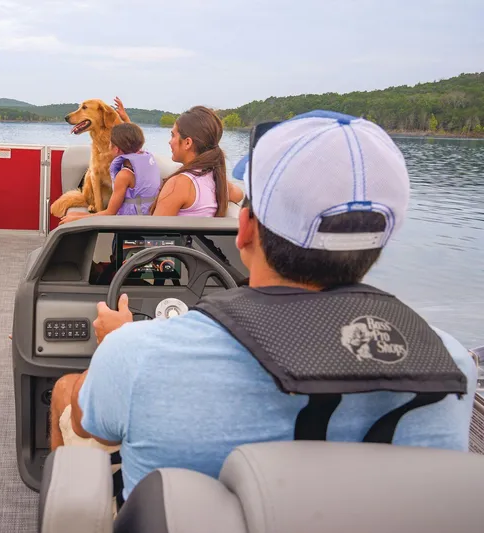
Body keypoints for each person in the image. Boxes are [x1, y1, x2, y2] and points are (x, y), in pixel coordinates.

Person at [49, 110, 476, 506]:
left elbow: (90, 425)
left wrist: (117, 342)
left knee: (69, 391)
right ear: (382, 238)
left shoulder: (138, 352)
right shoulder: (451, 364)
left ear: (246, 228)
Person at [112, 100, 245, 217]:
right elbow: (239, 194)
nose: (170, 142)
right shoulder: (216, 179)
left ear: (187, 143)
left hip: (166, 245)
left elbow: (154, 233)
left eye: (173, 135)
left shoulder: (179, 184)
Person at [60, 123, 161, 224]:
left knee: (71, 218)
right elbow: (133, 136)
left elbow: (110, 213)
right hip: (146, 219)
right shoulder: (148, 160)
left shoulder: (124, 175)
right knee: (74, 214)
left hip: (132, 225)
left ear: (116, 149)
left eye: (110, 143)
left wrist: (76, 218)